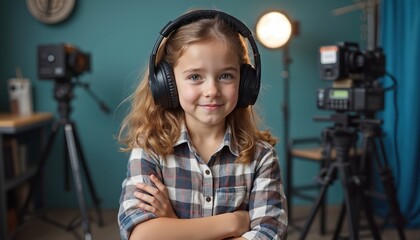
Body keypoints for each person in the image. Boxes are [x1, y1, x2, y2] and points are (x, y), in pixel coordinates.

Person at [117, 9, 287, 240]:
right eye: (195, 77)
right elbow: (141, 236)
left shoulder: (261, 156)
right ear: (166, 83)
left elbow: (269, 235)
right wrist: (233, 222)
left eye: (226, 76)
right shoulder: (150, 148)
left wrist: (173, 226)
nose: (212, 91)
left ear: (246, 83)